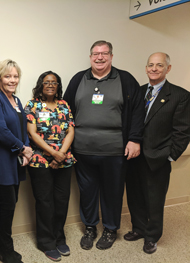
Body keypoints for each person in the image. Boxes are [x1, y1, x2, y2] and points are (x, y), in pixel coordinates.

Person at [63, 40, 145, 250]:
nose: (100, 57)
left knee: (112, 191)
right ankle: (90, 227)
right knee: (87, 191)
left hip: (115, 151)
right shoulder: (78, 79)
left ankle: (110, 229)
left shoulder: (125, 79)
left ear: (111, 56)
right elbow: (65, 111)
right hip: (82, 151)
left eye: (104, 53)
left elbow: (137, 111)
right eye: (96, 54)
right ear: (90, 57)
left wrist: (134, 139)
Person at [124, 52, 190, 254]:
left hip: (158, 158)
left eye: (159, 65)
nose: (154, 68)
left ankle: (152, 236)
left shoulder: (180, 95)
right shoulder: (139, 91)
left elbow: (183, 130)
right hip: (133, 156)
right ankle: (138, 229)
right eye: (150, 65)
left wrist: (170, 155)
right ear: (146, 68)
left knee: (154, 199)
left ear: (167, 69)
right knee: (134, 195)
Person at [0, 59, 32, 263]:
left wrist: (27, 148)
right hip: (2, 158)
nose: (12, 80)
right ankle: (5, 247)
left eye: (15, 76)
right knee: (8, 203)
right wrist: (23, 148)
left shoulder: (17, 100)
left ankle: (2, 243)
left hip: (16, 157)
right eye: (8, 76)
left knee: (12, 202)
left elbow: (23, 128)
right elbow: (0, 130)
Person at [24, 71, 75, 262]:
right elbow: (32, 134)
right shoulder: (33, 105)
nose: (51, 85)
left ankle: (59, 238)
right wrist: (53, 154)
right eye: (47, 82)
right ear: (41, 84)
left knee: (61, 201)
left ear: (58, 85)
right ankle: (46, 242)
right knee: (45, 202)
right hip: (40, 161)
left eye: (54, 82)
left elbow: (70, 130)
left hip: (64, 159)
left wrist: (60, 154)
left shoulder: (64, 105)